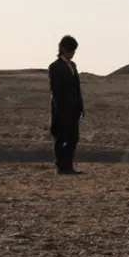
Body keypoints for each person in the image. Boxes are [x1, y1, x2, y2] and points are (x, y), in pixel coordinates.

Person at [48, 35, 85, 175]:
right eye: (70, 50)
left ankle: (69, 166)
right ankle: (61, 167)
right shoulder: (55, 67)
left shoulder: (73, 66)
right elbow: (56, 91)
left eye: (74, 51)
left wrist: (80, 106)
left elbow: (77, 88)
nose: (72, 53)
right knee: (61, 138)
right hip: (62, 110)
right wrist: (61, 110)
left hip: (74, 109)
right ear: (63, 49)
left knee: (73, 138)